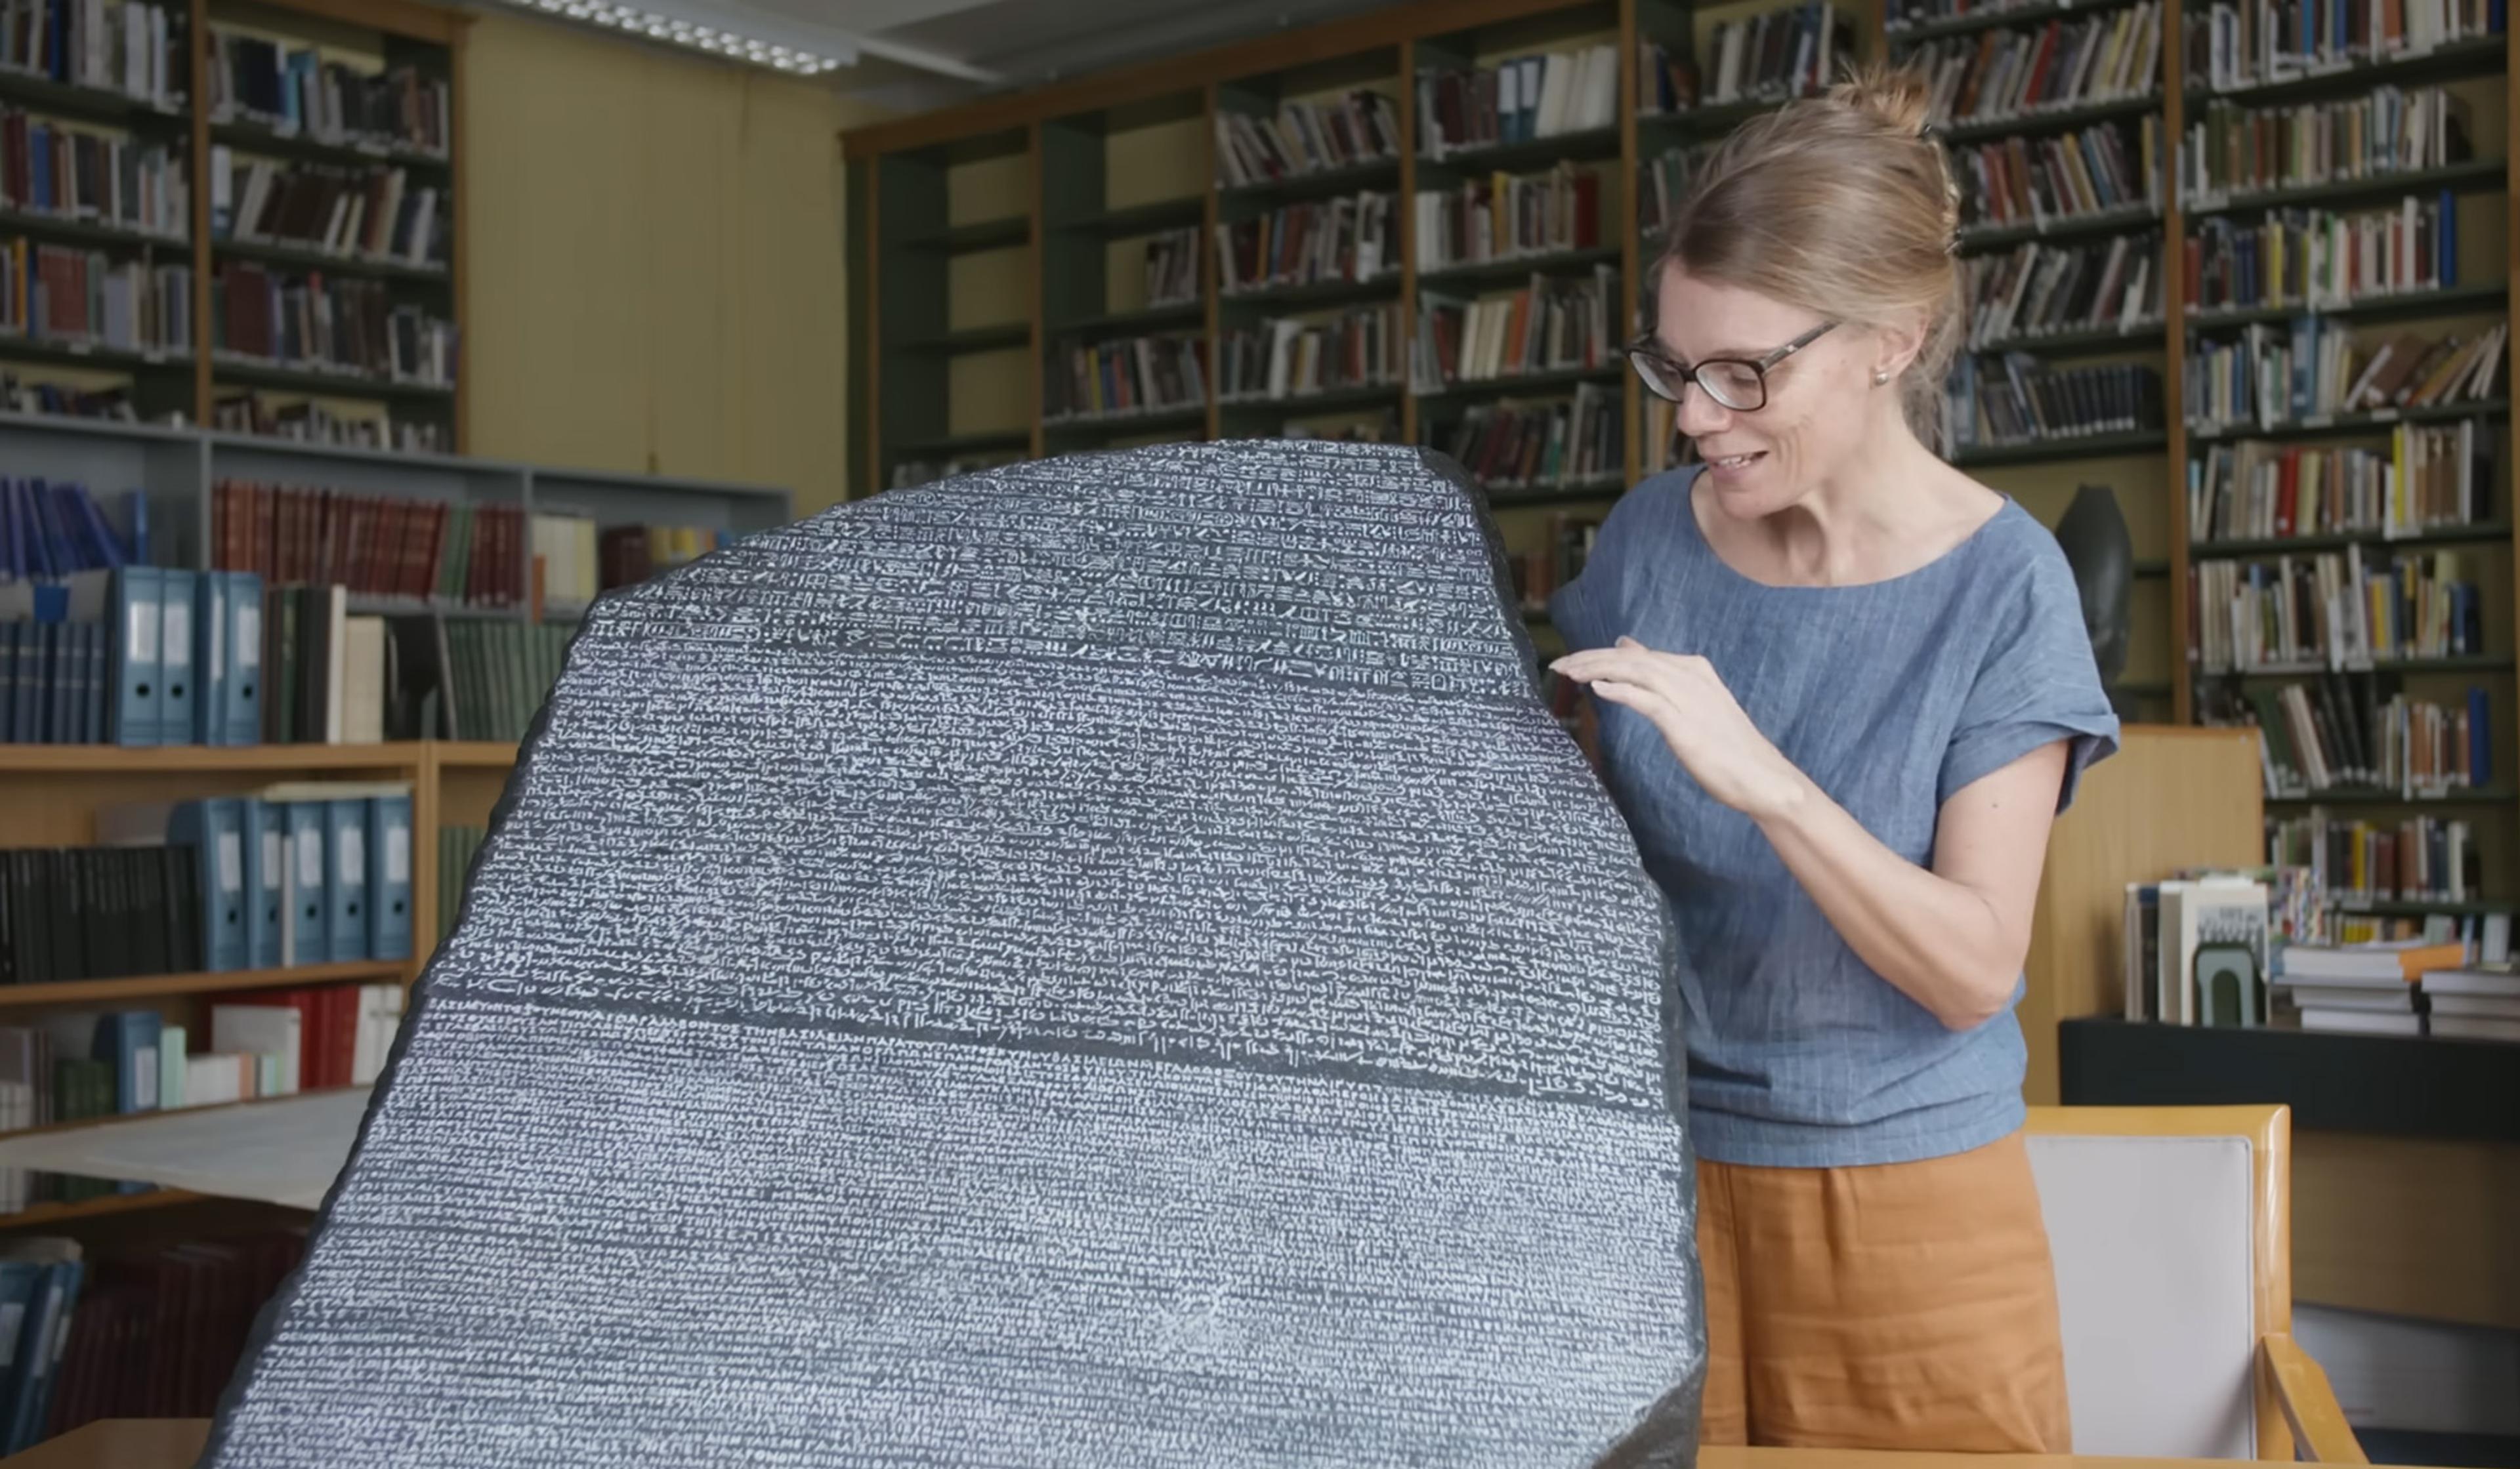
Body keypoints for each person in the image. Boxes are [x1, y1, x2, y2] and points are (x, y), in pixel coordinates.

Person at [1545, 64, 2120, 1452]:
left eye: (1747, 372)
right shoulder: (1644, 541)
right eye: (1677, 368)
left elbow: (1974, 963)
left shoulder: (2007, 589)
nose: (1695, 413)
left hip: (1909, 1207)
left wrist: (1767, 777)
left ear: (1890, 340)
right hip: (1650, 1192)